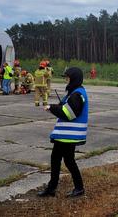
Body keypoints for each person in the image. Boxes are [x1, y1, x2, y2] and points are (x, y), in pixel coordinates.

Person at [38, 67, 88, 198]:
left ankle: (77, 188)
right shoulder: (74, 92)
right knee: (58, 159)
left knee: (67, 161)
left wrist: (52, 107)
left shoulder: (77, 94)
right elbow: (66, 108)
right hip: (65, 135)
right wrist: (57, 107)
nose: (66, 79)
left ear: (74, 78)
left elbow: (69, 113)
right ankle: (53, 188)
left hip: (69, 136)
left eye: (67, 77)